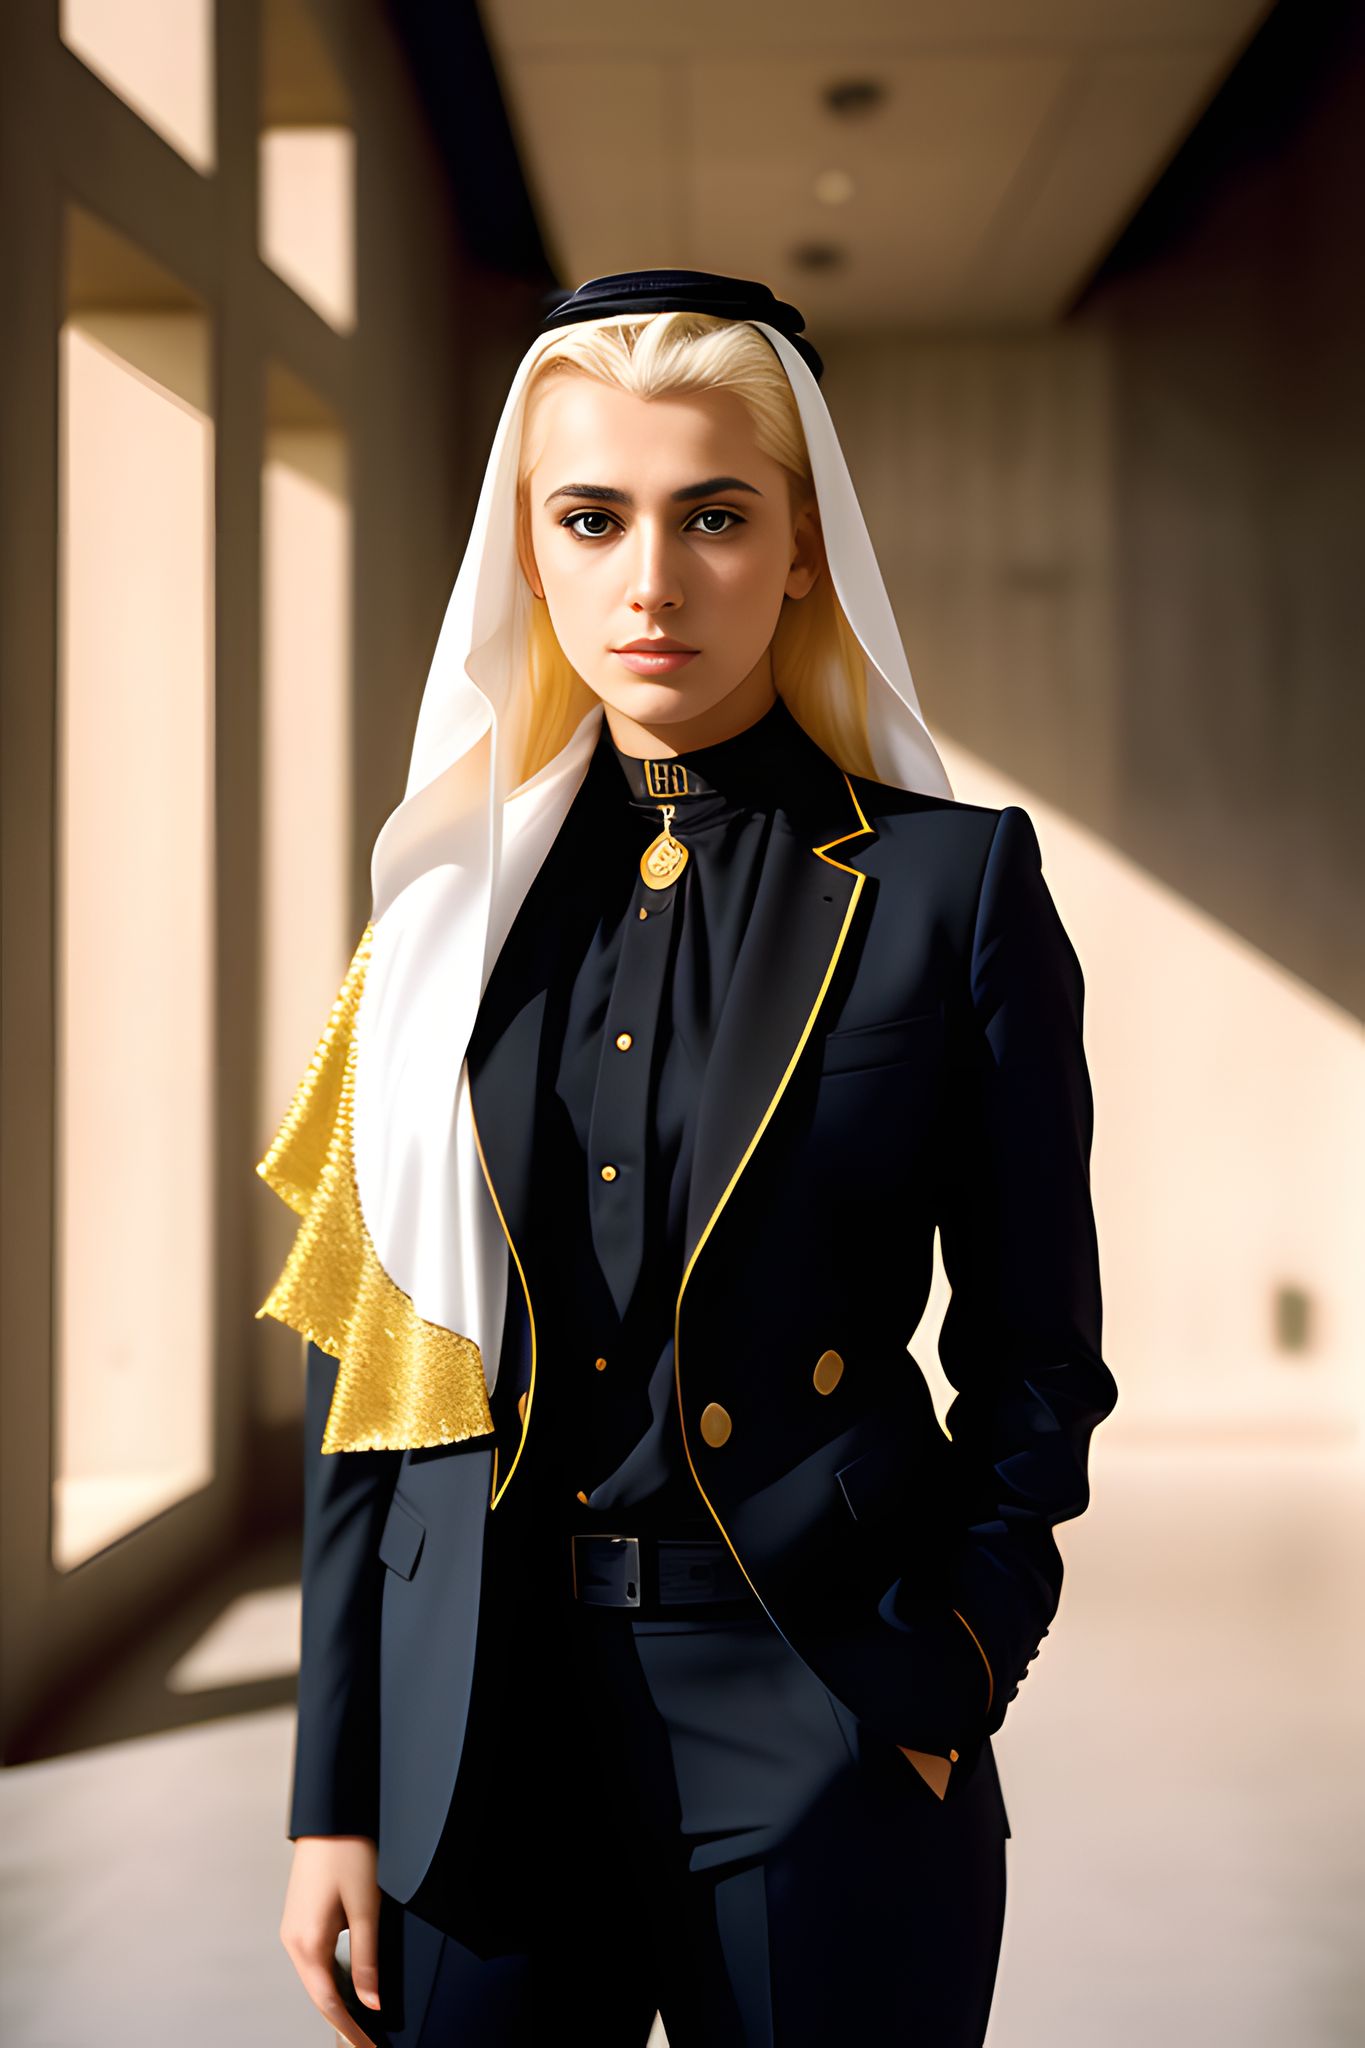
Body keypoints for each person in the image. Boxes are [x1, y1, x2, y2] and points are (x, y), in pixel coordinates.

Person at [264, 270, 1118, 2046]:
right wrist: (330, 1788)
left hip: (821, 1709)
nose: (651, 582)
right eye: (594, 519)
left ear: (800, 547)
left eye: (714, 517)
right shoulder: (438, 920)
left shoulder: (954, 891)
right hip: (477, 1734)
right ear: (534, 548)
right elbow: (379, 1377)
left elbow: (1037, 1352)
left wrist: (957, 1662)